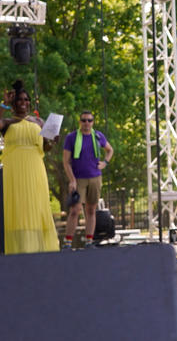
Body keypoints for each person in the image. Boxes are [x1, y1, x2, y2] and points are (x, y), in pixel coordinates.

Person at [1, 80, 60, 254]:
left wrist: (52, 141)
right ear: (13, 103)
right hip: (14, 169)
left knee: (38, 205)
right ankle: (19, 250)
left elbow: (45, 147)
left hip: (35, 168)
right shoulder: (7, 122)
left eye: (26, 100)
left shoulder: (38, 121)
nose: (24, 103)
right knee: (19, 208)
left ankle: (40, 249)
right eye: (20, 100)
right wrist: (3, 104)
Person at [62, 110, 114, 249]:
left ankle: (89, 241)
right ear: (80, 122)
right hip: (78, 179)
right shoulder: (71, 137)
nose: (87, 123)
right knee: (75, 210)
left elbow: (110, 150)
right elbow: (66, 162)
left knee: (91, 210)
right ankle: (67, 243)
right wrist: (72, 180)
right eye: (84, 120)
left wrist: (105, 163)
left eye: (89, 120)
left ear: (93, 122)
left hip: (95, 177)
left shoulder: (97, 136)